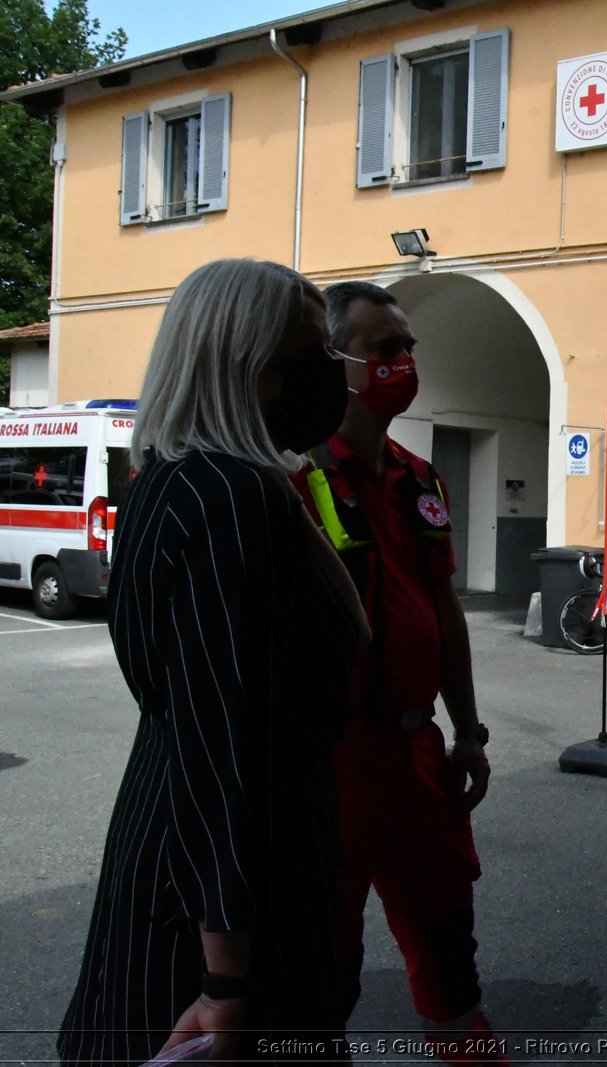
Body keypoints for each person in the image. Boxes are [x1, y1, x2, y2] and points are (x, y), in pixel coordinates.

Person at [58, 259, 367, 1062]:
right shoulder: (230, 498)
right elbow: (215, 744)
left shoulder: (177, 480)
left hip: (187, 857)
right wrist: (227, 977)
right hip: (221, 896)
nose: (340, 374)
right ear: (260, 371)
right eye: (319, 352)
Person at [290, 281, 505, 1061]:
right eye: (385, 349)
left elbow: (445, 612)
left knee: (449, 940)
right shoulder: (296, 477)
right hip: (333, 759)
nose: (404, 362)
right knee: (324, 962)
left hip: (419, 755)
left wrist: (470, 731)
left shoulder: (421, 478)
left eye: (409, 348)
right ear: (336, 361)